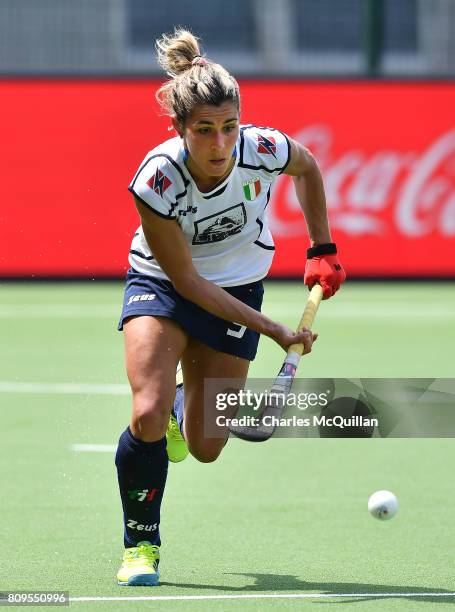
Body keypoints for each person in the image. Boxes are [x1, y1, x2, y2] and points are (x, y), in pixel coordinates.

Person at [115, 28, 346, 587]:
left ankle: (178, 412)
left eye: (229, 127)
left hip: (240, 289)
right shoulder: (157, 179)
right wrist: (273, 329)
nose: (220, 145)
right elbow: (188, 282)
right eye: (203, 131)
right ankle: (141, 544)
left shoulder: (261, 149)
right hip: (164, 287)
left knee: (207, 447)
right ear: (179, 129)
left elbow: (309, 167)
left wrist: (321, 249)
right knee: (146, 410)